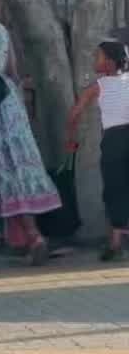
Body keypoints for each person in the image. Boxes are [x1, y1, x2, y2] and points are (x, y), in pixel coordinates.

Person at [0, 14, 60, 263]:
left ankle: (32, 236)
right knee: (19, 168)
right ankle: (25, 239)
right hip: (8, 100)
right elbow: (13, 70)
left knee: (3, 173)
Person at [66, 38, 129, 262]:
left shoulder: (99, 86)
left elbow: (74, 114)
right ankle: (116, 242)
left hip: (114, 140)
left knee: (114, 190)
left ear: (110, 62)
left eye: (98, 57)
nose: (95, 60)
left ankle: (115, 245)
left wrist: (71, 139)